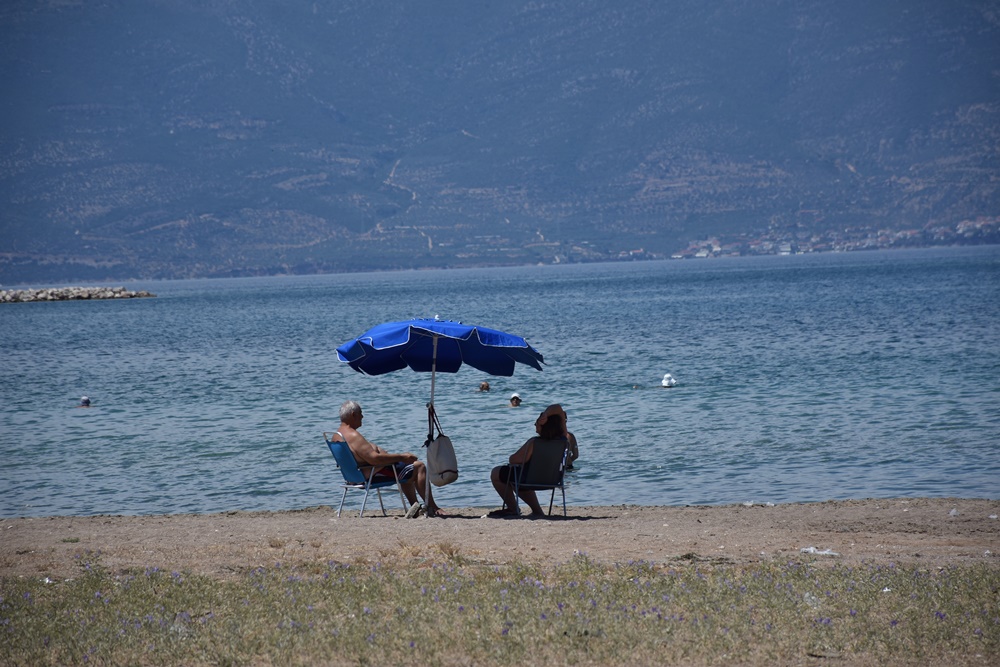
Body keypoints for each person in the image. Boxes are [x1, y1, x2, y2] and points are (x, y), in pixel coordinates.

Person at [332, 400, 440, 517]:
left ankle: (415, 507)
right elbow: (374, 459)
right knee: (418, 467)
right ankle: (433, 507)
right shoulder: (353, 435)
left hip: (353, 476)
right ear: (353, 414)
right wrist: (402, 457)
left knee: (407, 470)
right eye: (360, 413)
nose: (362, 416)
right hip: (371, 474)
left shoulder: (336, 435)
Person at [489, 409, 567, 517]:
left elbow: (513, 460)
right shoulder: (564, 441)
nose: (535, 429)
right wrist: (547, 414)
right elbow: (559, 409)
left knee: (497, 473)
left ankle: (513, 508)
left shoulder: (534, 442)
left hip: (530, 479)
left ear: (543, 425)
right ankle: (537, 511)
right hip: (554, 480)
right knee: (519, 475)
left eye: (536, 424)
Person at [539, 403, 579, 469]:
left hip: (555, 467)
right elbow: (576, 455)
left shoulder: (551, 437)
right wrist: (569, 461)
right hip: (569, 466)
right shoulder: (570, 436)